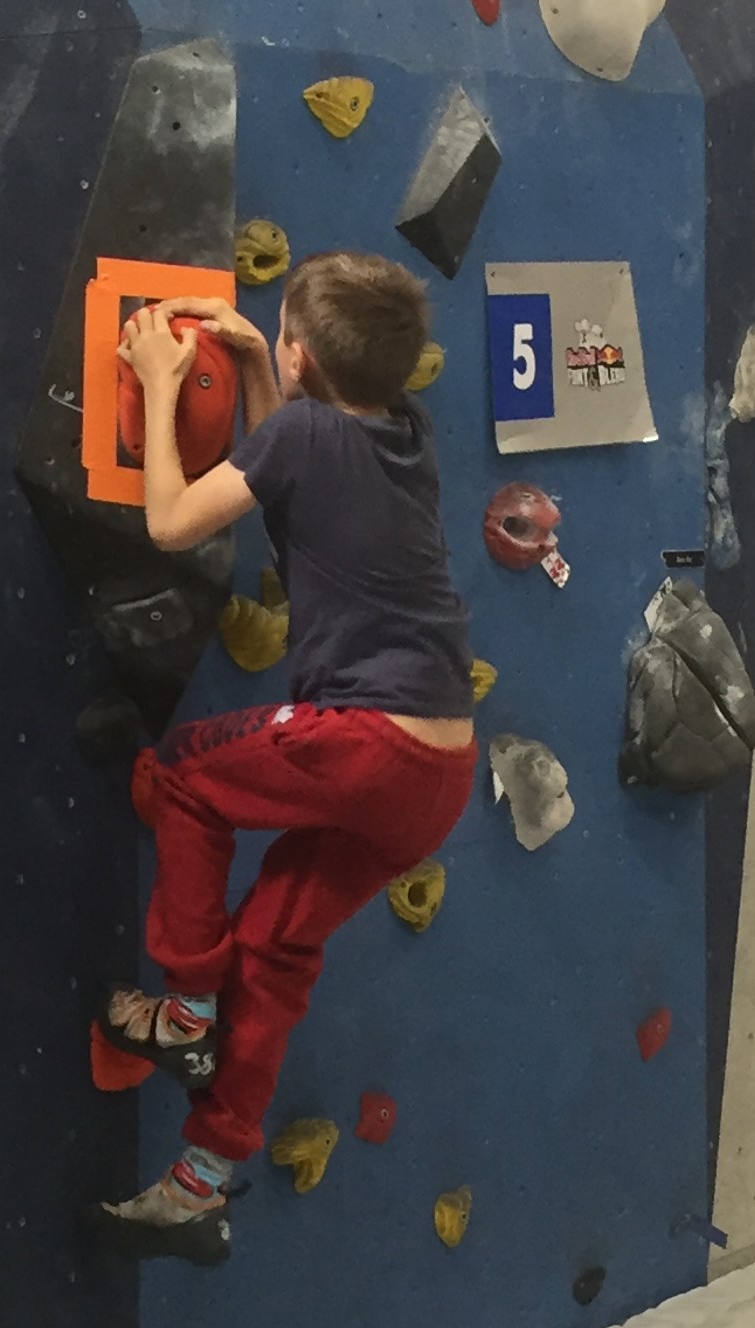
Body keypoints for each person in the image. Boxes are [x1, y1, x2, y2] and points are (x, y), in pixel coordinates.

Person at [88, 250, 476, 1267]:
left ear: (300, 356)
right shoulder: (408, 434)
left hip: (368, 738)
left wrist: (170, 385)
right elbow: (291, 474)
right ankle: (202, 1185)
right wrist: (269, 368)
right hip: (439, 775)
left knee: (182, 777)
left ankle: (184, 1010)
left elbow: (175, 519)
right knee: (278, 945)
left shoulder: (302, 429)